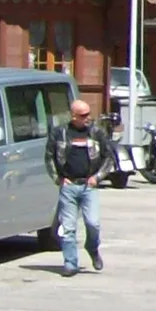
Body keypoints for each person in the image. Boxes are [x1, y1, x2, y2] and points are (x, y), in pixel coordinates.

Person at [47, 98, 113, 277]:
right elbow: (49, 158)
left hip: (88, 185)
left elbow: (108, 158)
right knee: (68, 228)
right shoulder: (59, 133)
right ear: (73, 115)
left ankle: (92, 248)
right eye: (83, 115)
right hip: (68, 185)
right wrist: (58, 179)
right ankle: (70, 263)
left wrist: (97, 178)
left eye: (88, 114)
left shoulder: (96, 132)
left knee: (93, 223)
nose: (87, 118)